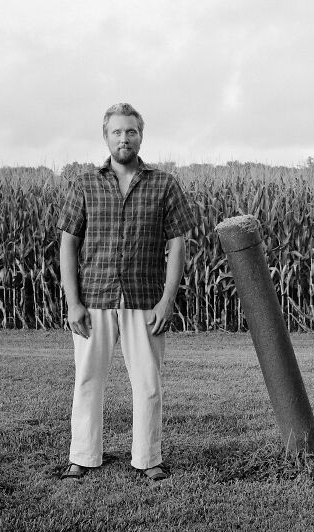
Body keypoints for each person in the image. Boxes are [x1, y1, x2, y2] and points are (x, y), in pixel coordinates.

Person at [57, 102, 196, 481]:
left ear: (141, 136)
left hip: (145, 299)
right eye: (117, 132)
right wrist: (73, 302)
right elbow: (68, 244)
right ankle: (83, 456)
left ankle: (148, 459)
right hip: (94, 298)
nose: (124, 138)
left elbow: (178, 244)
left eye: (131, 131)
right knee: (88, 380)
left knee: (148, 384)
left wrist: (168, 299)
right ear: (106, 136)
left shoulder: (164, 185)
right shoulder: (84, 185)